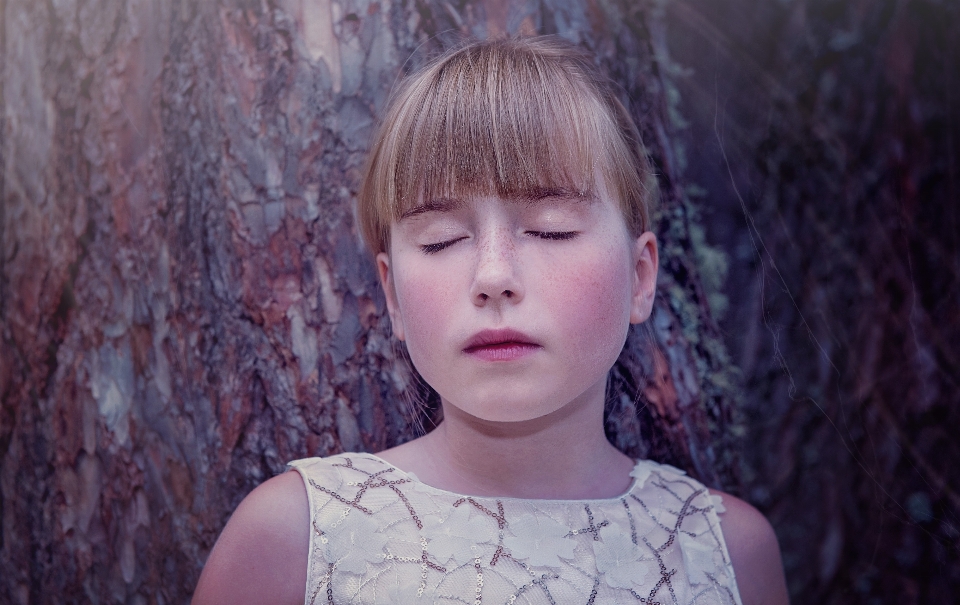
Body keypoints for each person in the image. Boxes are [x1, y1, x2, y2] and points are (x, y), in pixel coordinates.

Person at [192, 37, 789, 605]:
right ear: (392, 296)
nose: (492, 275)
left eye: (551, 228)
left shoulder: (728, 555)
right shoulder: (294, 540)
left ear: (640, 278)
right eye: (440, 240)